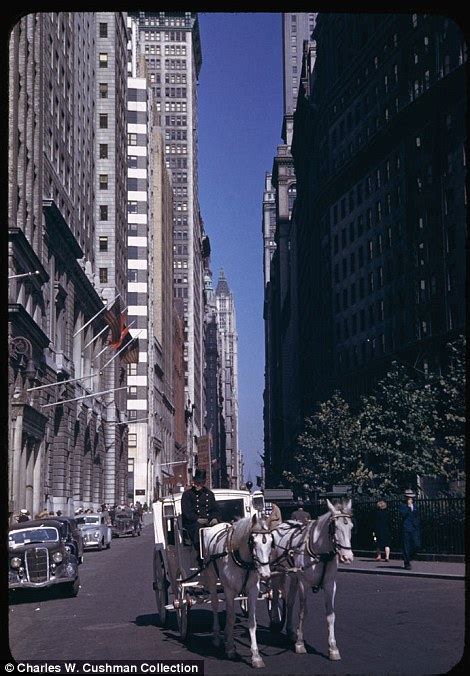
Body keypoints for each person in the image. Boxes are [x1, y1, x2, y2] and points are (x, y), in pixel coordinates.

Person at [181, 468, 219, 562]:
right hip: (193, 523)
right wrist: (197, 519)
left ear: (204, 483)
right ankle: (200, 555)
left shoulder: (209, 494)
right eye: (197, 482)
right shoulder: (187, 495)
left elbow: (214, 509)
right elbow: (187, 512)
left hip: (208, 521)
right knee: (198, 530)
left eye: (200, 483)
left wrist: (214, 518)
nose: (198, 485)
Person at [398, 489, 421, 570]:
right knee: (406, 546)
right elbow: (402, 515)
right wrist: (408, 507)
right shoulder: (402, 506)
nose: (410, 499)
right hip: (406, 528)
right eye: (409, 498)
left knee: (416, 544)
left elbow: (417, 516)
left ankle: (411, 556)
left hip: (414, 528)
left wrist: (417, 525)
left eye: (411, 498)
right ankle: (407, 562)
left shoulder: (415, 506)